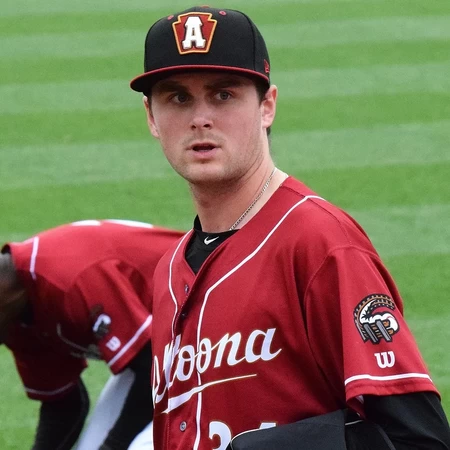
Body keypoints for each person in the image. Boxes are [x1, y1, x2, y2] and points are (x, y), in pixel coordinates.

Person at [129, 5, 450, 450]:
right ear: (151, 116)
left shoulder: (321, 243)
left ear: (267, 107)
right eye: (178, 98)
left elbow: (421, 440)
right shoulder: (169, 269)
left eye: (223, 95)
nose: (200, 118)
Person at [0, 219, 184, 450]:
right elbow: (64, 405)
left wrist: (113, 445)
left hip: (213, 330)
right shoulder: (15, 315)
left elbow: (155, 368)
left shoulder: (69, 279)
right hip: (161, 354)